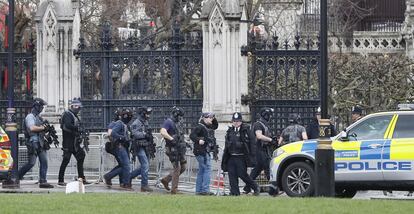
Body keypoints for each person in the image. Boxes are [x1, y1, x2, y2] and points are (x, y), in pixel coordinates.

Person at [221, 112, 260, 196]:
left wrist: (252, 156)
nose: (236, 122)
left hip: (241, 157)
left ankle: (255, 186)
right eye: (234, 121)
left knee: (242, 174)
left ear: (241, 121)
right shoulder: (230, 131)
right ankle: (235, 193)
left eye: (238, 121)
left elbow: (252, 143)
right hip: (231, 156)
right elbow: (227, 144)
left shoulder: (246, 130)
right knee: (232, 175)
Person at [18, 98, 54, 188]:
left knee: (44, 161)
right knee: (31, 163)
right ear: (36, 106)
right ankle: (16, 176)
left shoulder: (39, 117)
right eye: (41, 106)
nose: (42, 108)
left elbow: (42, 131)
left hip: (41, 143)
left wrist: (48, 133)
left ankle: (43, 181)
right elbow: (32, 128)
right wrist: (43, 128)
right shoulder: (30, 117)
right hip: (33, 143)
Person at [58, 98, 91, 186]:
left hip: (74, 143)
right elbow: (68, 125)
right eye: (77, 106)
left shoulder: (73, 115)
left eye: (79, 107)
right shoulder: (67, 114)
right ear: (72, 106)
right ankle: (60, 180)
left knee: (81, 156)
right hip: (68, 143)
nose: (78, 108)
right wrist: (77, 128)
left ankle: (81, 178)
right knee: (66, 160)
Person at [244, 107, 276, 194]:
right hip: (259, 150)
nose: (271, 117)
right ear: (266, 115)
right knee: (268, 167)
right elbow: (259, 135)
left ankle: (247, 187)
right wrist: (270, 140)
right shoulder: (258, 124)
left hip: (263, 149)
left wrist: (272, 140)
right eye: (269, 115)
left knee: (257, 170)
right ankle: (274, 188)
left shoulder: (264, 124)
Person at [159, 106, 187, 194]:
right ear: (176, 114)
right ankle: (174, 189)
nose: (181, 118)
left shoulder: (178, 123)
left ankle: (166, 180)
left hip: (179, 148)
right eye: (179, 116)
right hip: (172, 149)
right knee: (177, 168)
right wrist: (171, 139)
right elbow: (162, 132)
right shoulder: (168, 122)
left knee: (183, 167)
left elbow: (180, 134)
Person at [190, 112, 218, 196]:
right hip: (201, 151)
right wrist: (198, 140)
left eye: (212, 118)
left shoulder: (208, 126)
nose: (211, 119)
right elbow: (192, 135)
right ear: (204, 118)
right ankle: (205, 190)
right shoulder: (200, 126)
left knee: (202, 170)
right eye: (209, 117)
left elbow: (216, 126)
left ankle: (199, 190)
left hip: (205, 151)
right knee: (207, 169)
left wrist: (213, 117)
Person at [104, 108, 133, 190]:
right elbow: (112, 133)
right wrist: (122, 138)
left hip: (124, 146)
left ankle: (119, 181)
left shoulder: (125, 124)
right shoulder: (119, 123)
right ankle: (126, 183)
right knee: (126, 165)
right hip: (120, 146)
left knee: (123, 165)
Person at [130, 106, 155, 192]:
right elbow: (134, 133)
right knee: (145, 165)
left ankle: (128, 177)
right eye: (146, 114)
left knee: (145, 165)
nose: (148, 115)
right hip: (138, 146)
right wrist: (144, 135)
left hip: (146, 145)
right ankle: (144, 185)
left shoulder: (145, 122)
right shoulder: (136, 122)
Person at [103, 109, 123, 186]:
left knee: (122, 164)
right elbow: (110, 134)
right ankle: (108, 176)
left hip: (119, 146)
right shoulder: (114, 124)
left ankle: (122, 182)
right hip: (115, 146)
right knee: (123, 165)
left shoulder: (119, 123)